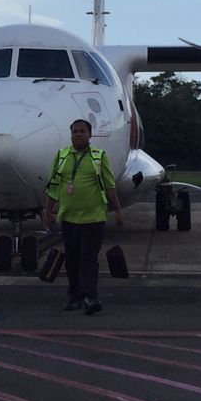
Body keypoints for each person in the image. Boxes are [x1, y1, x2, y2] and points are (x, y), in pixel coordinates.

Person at [41, 118, 125, 315]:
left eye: (82, 131)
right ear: (71, 135)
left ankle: (90, 296)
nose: (78, 135)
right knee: (72, 258)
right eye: (74, 132)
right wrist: (48, 212)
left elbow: (110, 185)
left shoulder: (98, 156)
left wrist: (118, 211)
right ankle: (75, 296)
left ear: (90, 135)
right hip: (69, 217)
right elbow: (53, 187)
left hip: (93, 217)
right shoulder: (61, 156)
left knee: (88, 258)